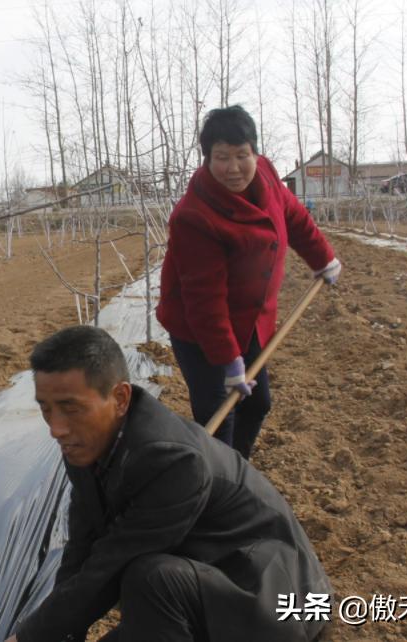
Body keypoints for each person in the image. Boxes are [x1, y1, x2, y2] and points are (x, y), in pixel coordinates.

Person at [7, 326, 331, 642]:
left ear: (120, 398)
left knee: (147, 577)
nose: (57, 428)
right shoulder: (84, 444)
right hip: (210, 580)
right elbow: (81, 549)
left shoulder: (172, 461)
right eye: (46, 410)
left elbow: (111, 565)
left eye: (71, 408)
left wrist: (28, 636)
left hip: (278, 599)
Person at [156, 105, 341, 459]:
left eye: (242, 155)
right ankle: (217, 487)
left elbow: (294, 216)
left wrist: (323, 257)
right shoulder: (194, 216)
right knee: (218, 414)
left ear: (255, 152)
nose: (233, 167)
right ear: (207, 158)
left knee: (257, 404)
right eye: (221, 157)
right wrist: (227, 360)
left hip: (251, 318)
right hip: (199, 330)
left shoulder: (267, 175)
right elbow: (205, 299)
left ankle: (235, 471)